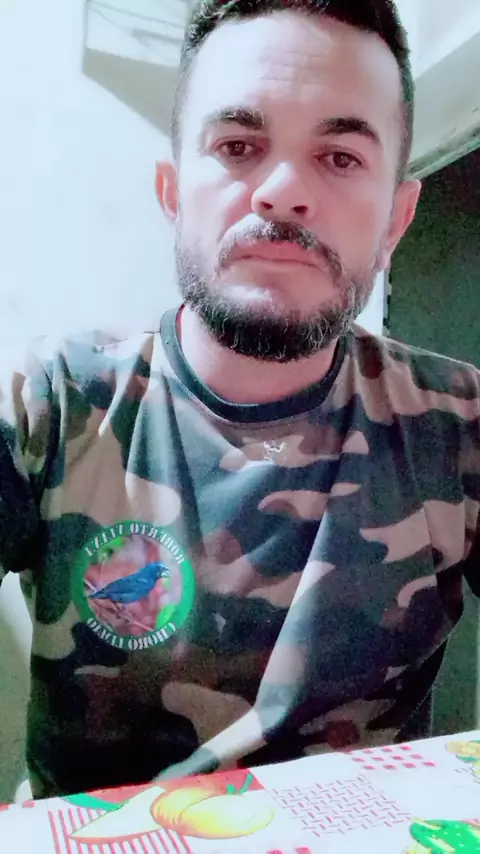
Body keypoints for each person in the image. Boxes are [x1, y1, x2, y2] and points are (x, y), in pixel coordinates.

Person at [1, 0, 479, 800]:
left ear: (397, 218)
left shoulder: (458, 424)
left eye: (340, 157)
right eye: (238, 146)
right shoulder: (49, 403)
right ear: (171, 192)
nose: (284, 192)